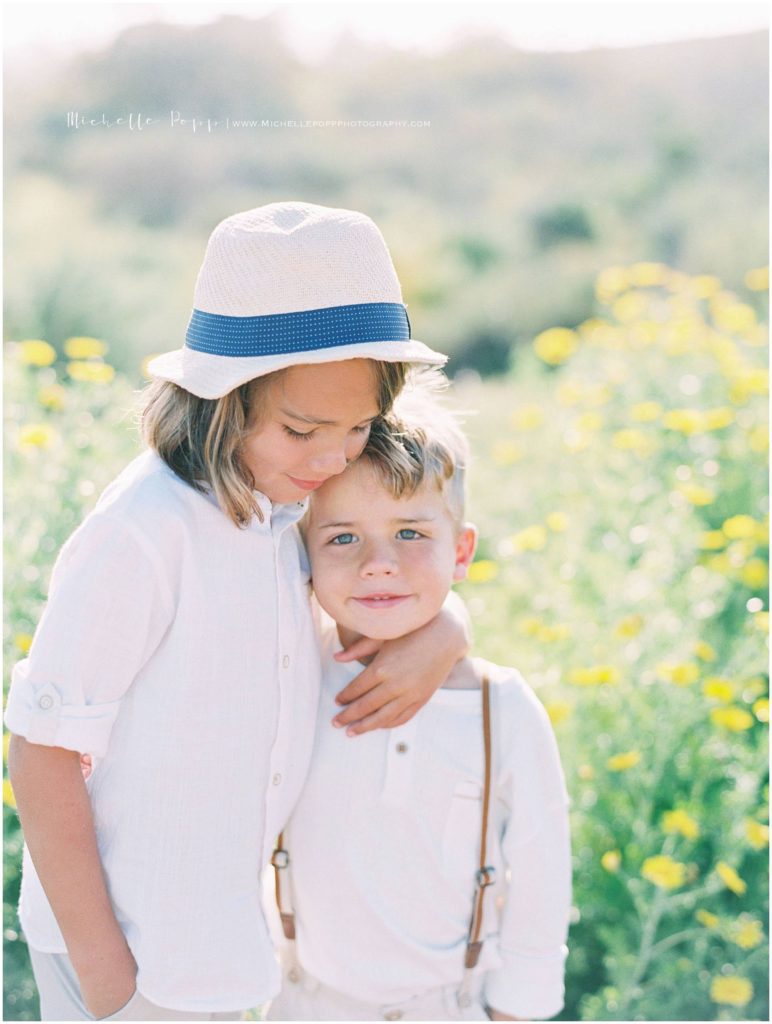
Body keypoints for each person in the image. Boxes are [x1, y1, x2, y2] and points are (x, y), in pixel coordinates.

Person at [5, 201, 471, 1022]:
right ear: (224, 402)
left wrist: (447, 628)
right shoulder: (143, 533)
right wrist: (111, 979)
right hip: (128, 953)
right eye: (302, 429)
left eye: (359, 427)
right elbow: (41, 749)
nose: (333, 457)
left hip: (219, 944)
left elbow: (378, 585)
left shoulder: (285, 507)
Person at [264, 386, 573, 1022]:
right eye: (343, 538)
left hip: (451, 1006)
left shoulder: (502, 711)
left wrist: (519, 1011)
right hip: (304, 1001)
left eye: (410, 532)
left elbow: (541, 878)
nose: (379, 564)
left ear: (461, 552)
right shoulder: (289, 671)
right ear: (304, 555)